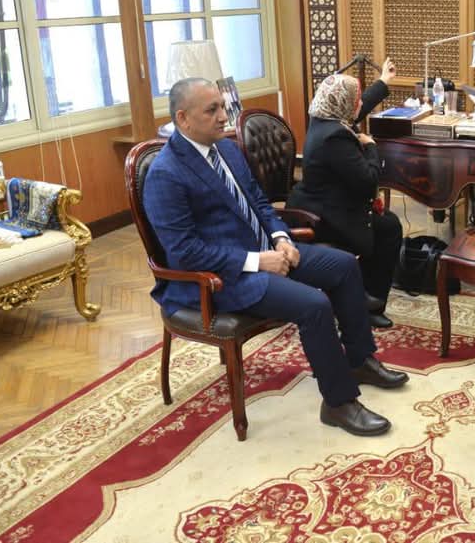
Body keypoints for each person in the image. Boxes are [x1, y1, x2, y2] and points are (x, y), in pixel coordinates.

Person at [143, 77, 408, 437]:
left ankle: (359, 360)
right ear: (183, 118)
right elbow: (185, 252)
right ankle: (338, 403)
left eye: (223, 106)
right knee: (314, 304)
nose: (223, 116)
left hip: (264, 252)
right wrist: (256, 260)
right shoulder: (165, 174)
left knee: (344, 266)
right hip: (220, 279)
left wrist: (281, 238)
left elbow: (259, 202)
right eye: (212, 110)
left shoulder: (227, 150)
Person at [289, 58, 402, 329]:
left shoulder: (323, 117)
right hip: (324, 216)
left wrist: (383, 81)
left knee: (386, 224)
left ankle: (365, 299)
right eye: (356, 100)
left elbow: (356, 108)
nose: (359, 103)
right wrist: (371, 146)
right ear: (345, 104)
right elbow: (368, 181)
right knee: (388, 227)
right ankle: (365, 301)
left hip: (322, 204)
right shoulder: (334, 138)